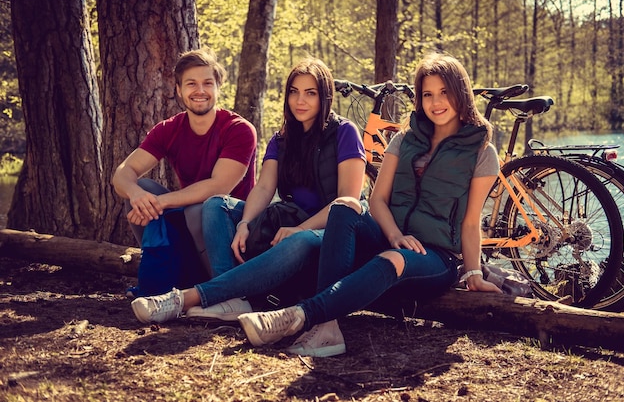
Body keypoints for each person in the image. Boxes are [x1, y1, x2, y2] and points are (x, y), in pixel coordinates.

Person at [236, 52, 504, 357]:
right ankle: (328, 329)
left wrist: (474, 273)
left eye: (444, 92)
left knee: (393, 258)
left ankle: (304, 317)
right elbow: (376, 199)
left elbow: (470, 223)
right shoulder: (404, 139)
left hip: (435, 257)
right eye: (427, 94)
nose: (436, 102)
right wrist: (393, 234)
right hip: (391, 237)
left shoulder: (482, 153)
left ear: (461, 93)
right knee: (345, 204)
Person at [130, 57, 366, 324]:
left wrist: (301, 229)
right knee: (216, 204)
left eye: (310, 93)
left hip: (328, 232)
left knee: (299, 240)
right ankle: (232, 300)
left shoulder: (345, 132)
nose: (300, 101)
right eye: (294, 92)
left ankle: (190, 297)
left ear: (325, 97)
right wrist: (244, 223)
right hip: (290, 220)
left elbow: (346, 201)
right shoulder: (282, 139)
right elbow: (264, 187)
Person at [112, 48, 257, 276]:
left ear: (218, 87)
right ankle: (167, 274)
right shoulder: (168, 129)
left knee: (200, 209)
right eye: (191, 84)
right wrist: (135, 194)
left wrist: (160, 202)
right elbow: (123, 173)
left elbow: (219, 187)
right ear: (178, 90)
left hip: (235, 228)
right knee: (142, 190)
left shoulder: (238, 129)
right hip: (193, 222)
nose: (200, 91)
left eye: (208, 83)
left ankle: (222, 284)